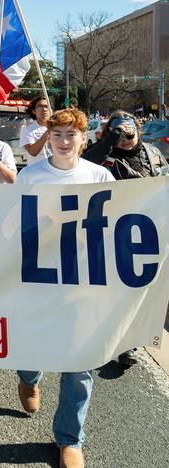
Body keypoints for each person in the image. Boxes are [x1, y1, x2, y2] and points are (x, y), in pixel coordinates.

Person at [15, 108, 114, 468]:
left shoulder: (100, 175)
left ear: (84, 140)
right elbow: (11, 221)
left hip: (84, 281)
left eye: (71, 134)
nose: (63, 141)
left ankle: (70, 438)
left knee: (81, 361)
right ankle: (28, 376)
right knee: (31, 345)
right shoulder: (30, 176)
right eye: (57, 134)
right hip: (39, 280)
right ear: (49, 138)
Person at [81, 110, 168, 367]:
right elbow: (84, 165)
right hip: (110, 231)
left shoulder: (152, 153)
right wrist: (109, 141)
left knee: (140, 289)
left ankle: (129, 343)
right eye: (118, 130)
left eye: (128, 131)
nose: (125, 136)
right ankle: (109, 338)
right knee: (113, 291)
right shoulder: (104, 156)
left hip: (147, 230)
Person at [20, 96, 52, 166]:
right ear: (34, 111)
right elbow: (33, 151)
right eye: (40, 106)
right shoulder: (27, 129)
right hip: (37, 172)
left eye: (46, 106)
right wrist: (48, 132)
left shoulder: (58, 129)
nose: (44, 109)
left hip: (54, 171)